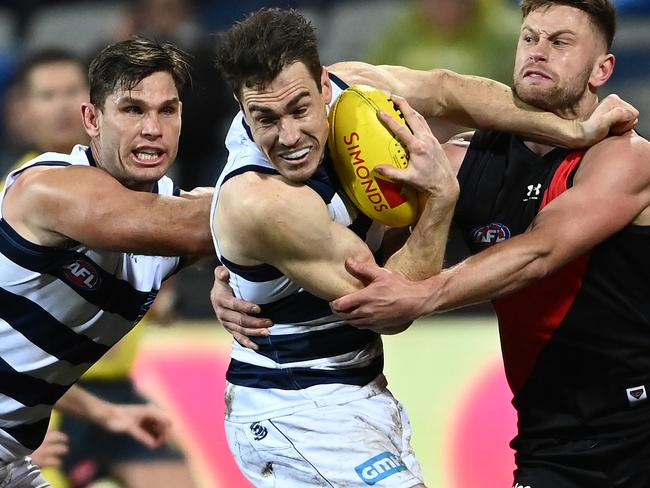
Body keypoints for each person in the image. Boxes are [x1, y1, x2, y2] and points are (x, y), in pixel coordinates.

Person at [209, 6, 638, 487]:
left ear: (325, 85)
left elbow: (445, 89)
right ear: (241, 108)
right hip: (301, 402)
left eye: (560, 42)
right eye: (264, 118)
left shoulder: (627, 158)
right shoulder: (264, 199)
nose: (288, 136)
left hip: (633, 423)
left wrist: (572, 131)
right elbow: (389, 305)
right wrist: (235, 255)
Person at [0, 37, 214, 487]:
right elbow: (222, 222)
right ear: (92, 119)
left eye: (167, 110)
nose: (153, 128)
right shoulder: (45, 188)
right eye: (133, 110)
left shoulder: (175, 215)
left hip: (23, 439)